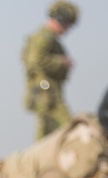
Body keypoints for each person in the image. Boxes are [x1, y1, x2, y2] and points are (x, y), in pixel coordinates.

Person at [22, 1, 79, 141]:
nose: (68, 29)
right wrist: (62, 63)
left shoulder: (48, 38)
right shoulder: (45, 37)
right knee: (67, 127)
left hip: (48, 92)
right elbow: (36, 60)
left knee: (47, 131)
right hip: (46, 93)